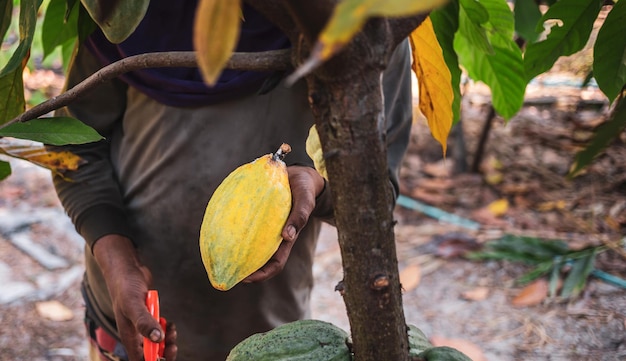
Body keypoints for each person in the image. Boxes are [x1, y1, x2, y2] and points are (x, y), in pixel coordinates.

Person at [50, 1, 413, 360]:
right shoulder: (128, 11)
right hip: (127, 316)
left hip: (269, 340)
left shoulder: (370, 25)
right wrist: (115, 261)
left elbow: (376, 190)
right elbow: (74, 149)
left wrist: (318, 187)